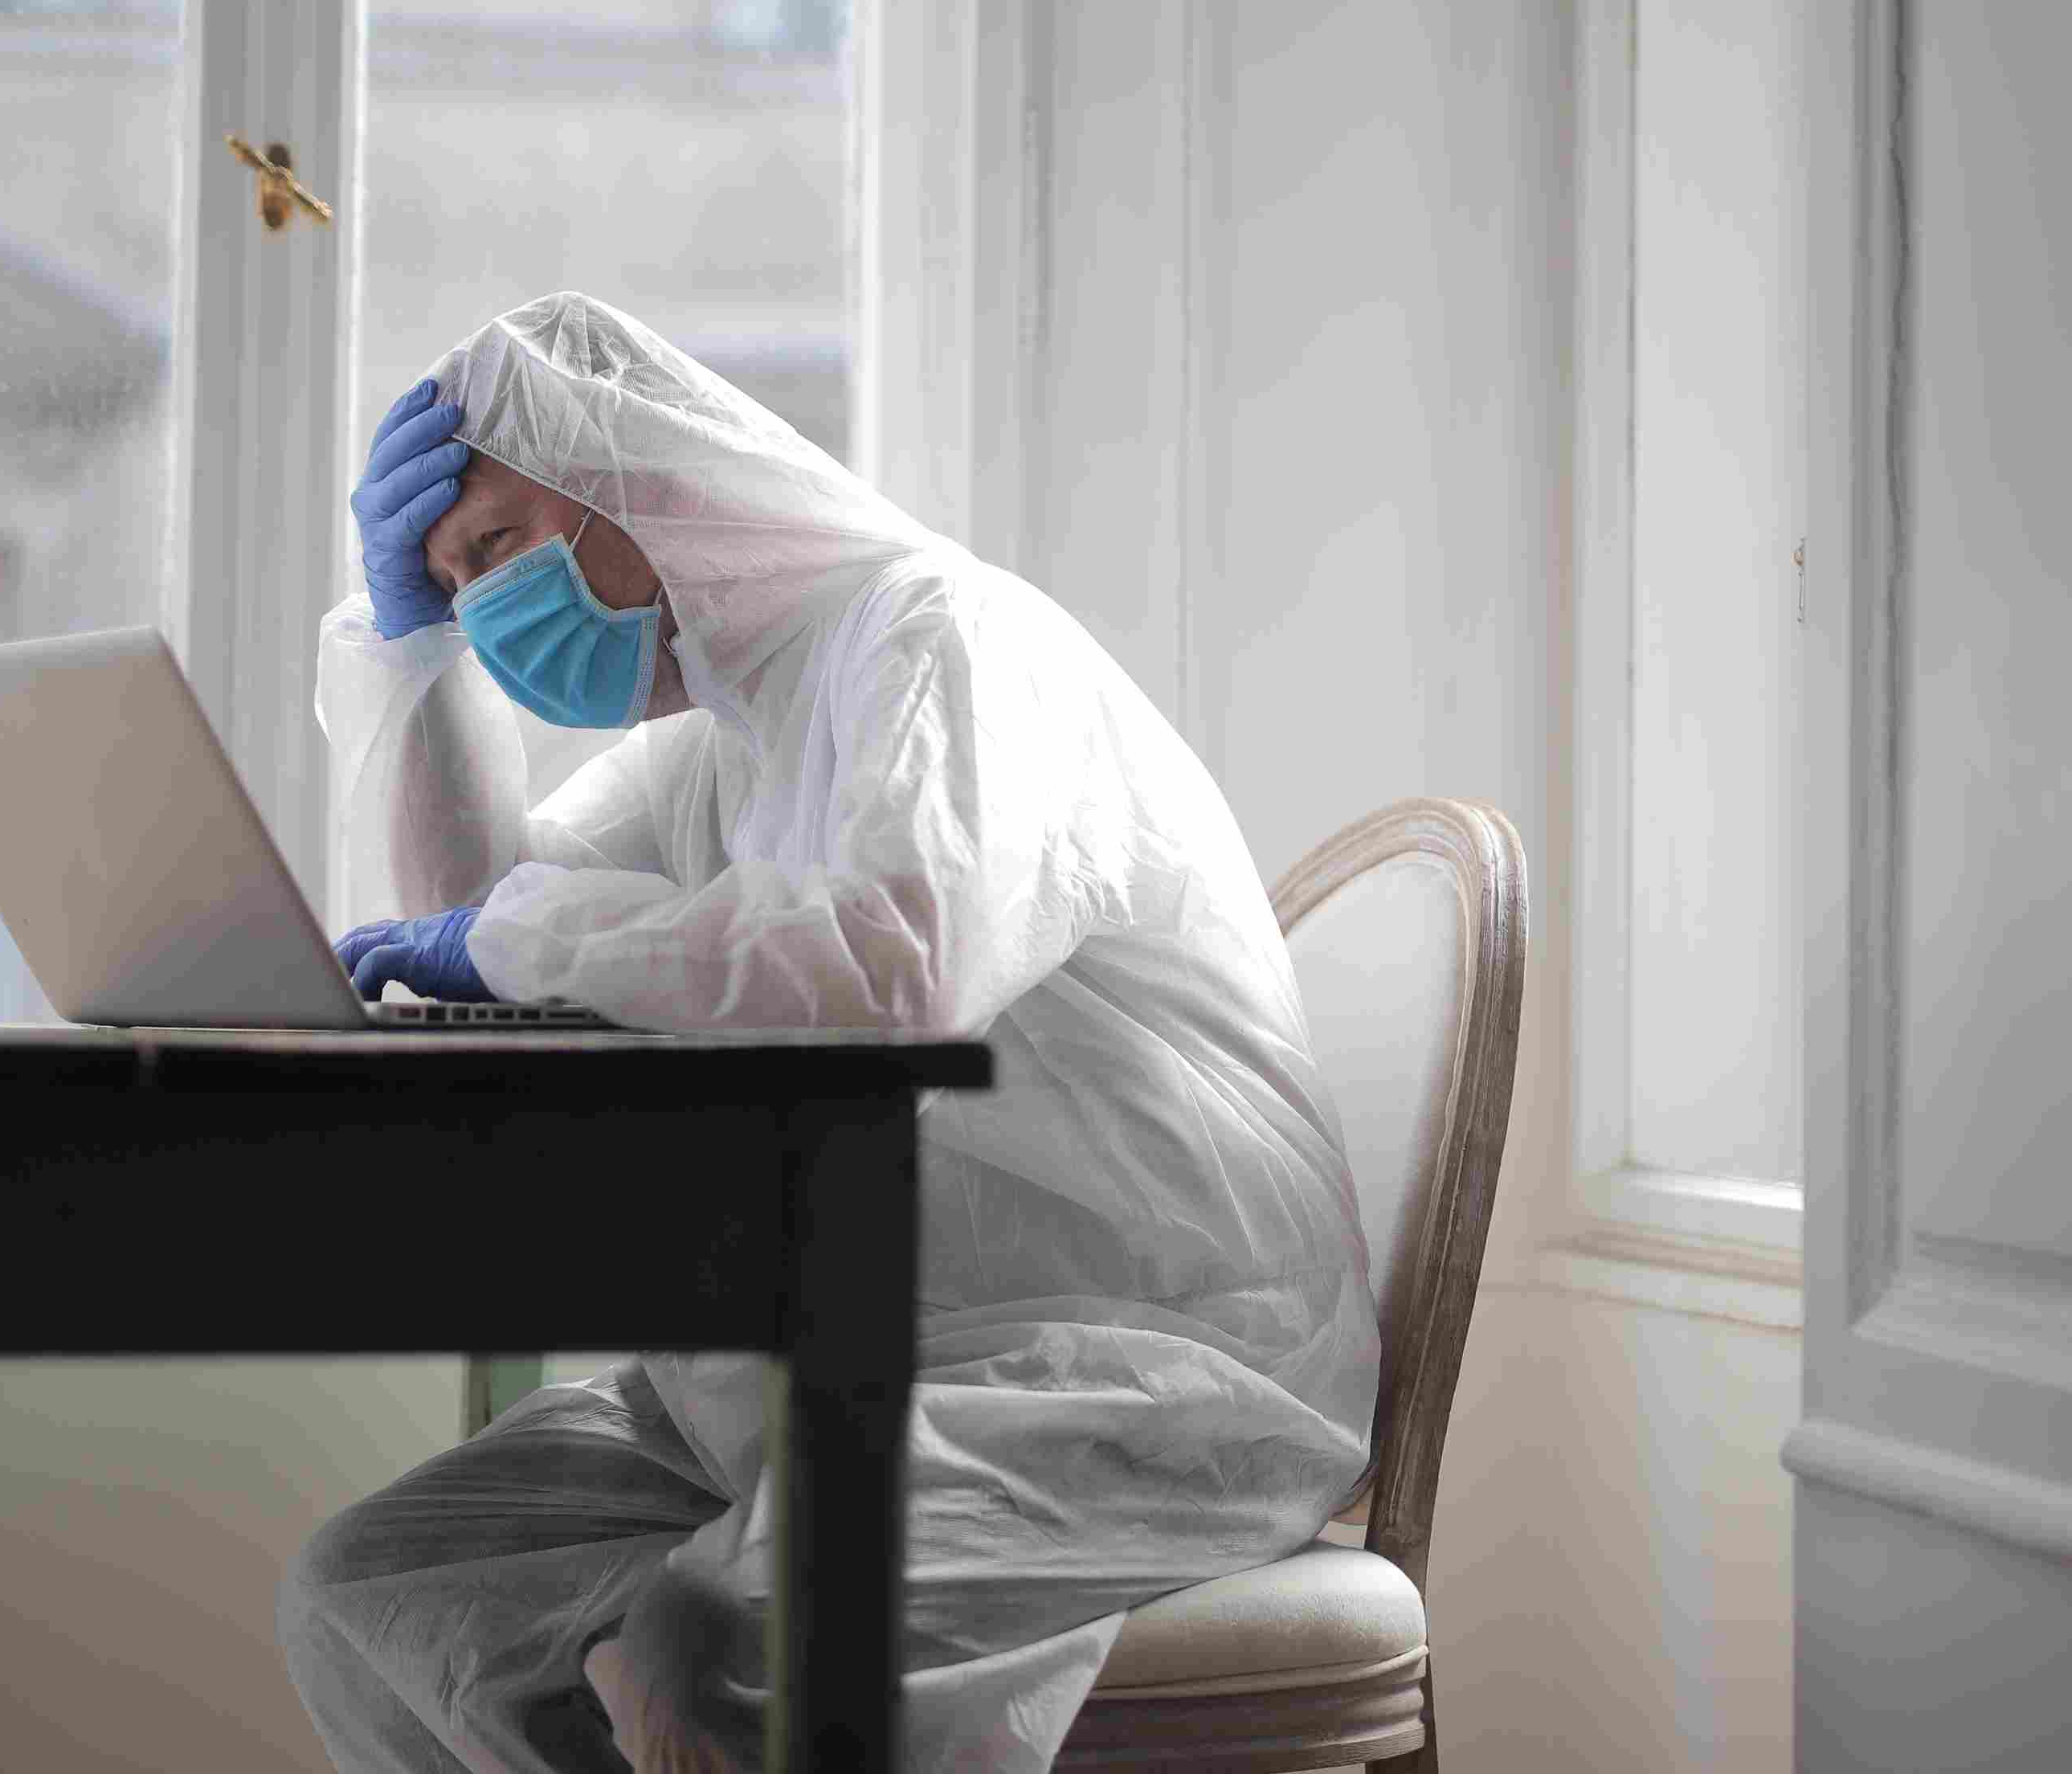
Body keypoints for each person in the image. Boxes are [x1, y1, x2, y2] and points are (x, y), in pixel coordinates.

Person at [278, 292, 1379, 1773]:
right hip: (809, 1388)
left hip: (1130, 1387)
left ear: (636, 480)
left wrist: (515, 934)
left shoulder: (941, 637)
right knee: (373, 1596)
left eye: (492, 555)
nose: (485, 609)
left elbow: (895, 962)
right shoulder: (721, 742)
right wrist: (415, 661)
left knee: (712, 1642)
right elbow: (486, 914)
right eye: (452, 584)